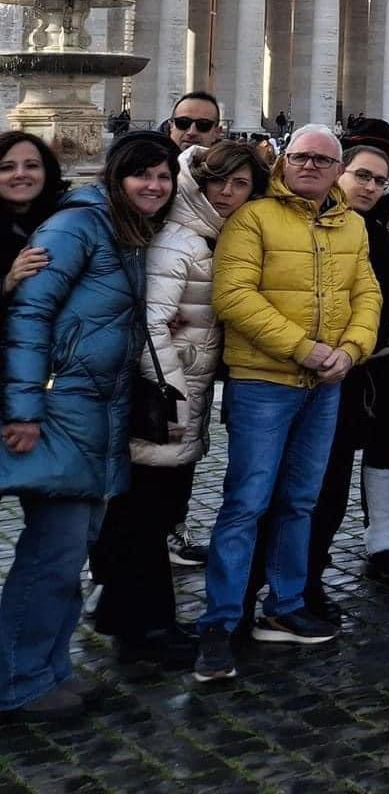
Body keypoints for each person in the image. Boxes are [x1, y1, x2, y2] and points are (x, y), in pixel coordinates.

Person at [192, 126, 382, 682]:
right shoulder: (253, 218)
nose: (310, 166)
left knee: (300, 499)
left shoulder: (352, 225)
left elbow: (367, 294)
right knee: (246, 502)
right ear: (283, 161)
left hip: (326, 383)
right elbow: (233, 296)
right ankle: (219, 621)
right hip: (263, 381)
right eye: (300, 156)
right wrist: (305, 349)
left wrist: (351, 350)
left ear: (337, 169)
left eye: (322, 159)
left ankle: (285, 605)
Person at [0, 133, 176, 719]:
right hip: (60, 410)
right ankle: (19, 682)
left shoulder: (124, 230)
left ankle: (50, 668)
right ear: (115, 178)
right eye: (142, 174)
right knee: (50, 556)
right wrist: (24, 410)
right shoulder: (77, 227)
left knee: (69, 553)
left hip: (97, 409)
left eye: (164, 176)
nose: (154, 185)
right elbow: (30, 316)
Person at [88, 140, 258, 664]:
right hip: (163, 402)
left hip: (179, 392)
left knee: (143, 511)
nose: (226, 193)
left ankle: (120, 612)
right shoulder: (180, 238)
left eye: (240, 184)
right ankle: (151, 627)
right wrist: (175, 405)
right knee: (146, 515)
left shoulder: (206, 232)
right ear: (199, 183)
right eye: (218, 182)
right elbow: (151, 330)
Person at [308, 142, 389, 599]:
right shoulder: (304, 221)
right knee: (322, 475)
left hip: (367, 362)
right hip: (317, 364)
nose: (370, 186)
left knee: (371, 459)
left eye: (379, 180)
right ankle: (302, 574)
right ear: (340, 172)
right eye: (362, 176)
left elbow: (376, 302)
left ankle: (369, 550)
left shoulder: (382, 231)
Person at [0, 131, 66, 304]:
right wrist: (7, 282)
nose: (20, 174)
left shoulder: (68, 217)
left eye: (31, 166)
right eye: (6, 168)